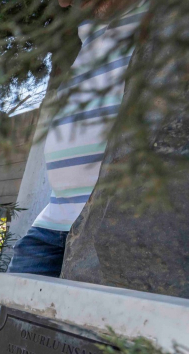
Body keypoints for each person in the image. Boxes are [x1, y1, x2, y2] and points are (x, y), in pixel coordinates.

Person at [7, 1, 145, 276]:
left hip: (115, 228)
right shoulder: (91, 37)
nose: (64, 2)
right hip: (53, 223)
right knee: (6, 311)